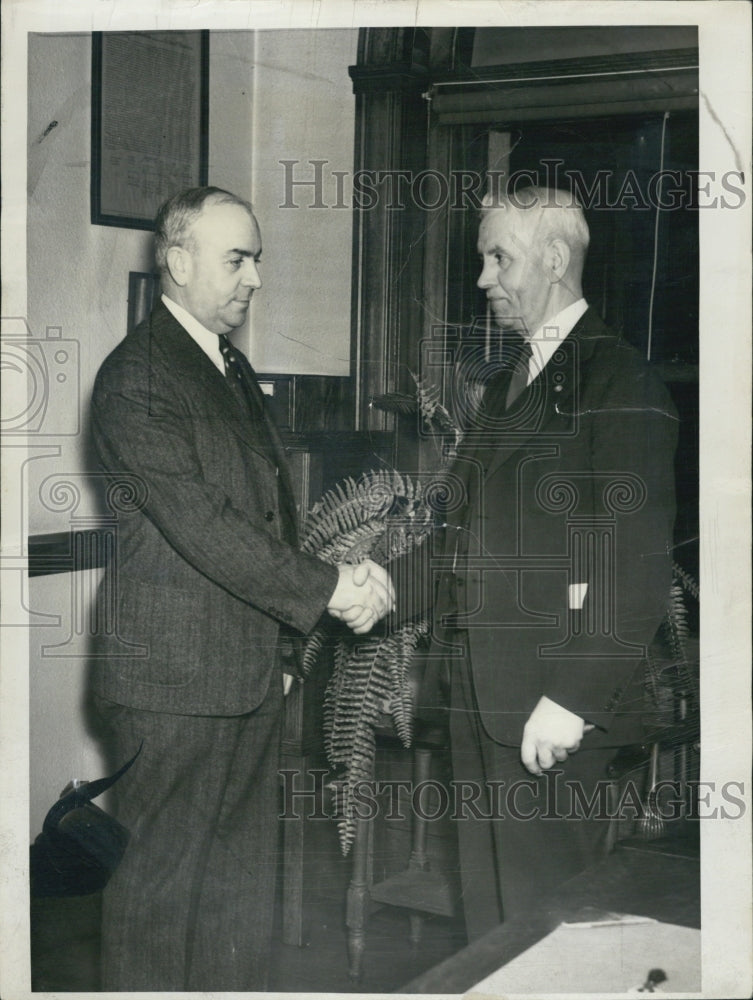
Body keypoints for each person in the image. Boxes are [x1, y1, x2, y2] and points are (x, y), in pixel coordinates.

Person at [90, 186, 394, 991]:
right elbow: (206, 523)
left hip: (248, 674)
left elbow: (270, 515)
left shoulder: (222, 365)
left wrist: (288, 648)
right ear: (179, 261)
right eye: (237, 258)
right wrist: (331, 589)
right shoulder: (137, 379)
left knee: (236, 893)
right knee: (161, 897)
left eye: (257, 257)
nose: (254, 277)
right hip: (171, 686)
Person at [408, 186, 678, 941]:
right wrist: (354, 590)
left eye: (499, 258)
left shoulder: (620, 383)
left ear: (555, 260)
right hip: (480, 701)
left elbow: (633, 566)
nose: (483, 279)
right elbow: (453, 539)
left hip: (547, 713)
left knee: (548, 928)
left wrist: (571, 698)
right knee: (493, 926)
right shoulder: (504, 385)